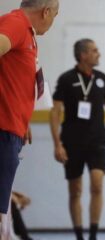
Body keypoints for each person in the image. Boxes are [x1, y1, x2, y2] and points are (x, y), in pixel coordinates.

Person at [49, 39, 105, 240]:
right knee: (75, 190)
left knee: (97, 184)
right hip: (72, 142)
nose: (98, 54)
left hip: (97, 141)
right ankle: (79, 235)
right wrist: (57, 143)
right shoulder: (66, 79)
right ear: (83, 55)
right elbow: (55, 112)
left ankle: (93, 234)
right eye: (94, 51)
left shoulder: (102, 78)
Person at [0, 0, 59, 239]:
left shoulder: (28, 34)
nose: (54, 22)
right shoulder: (15, 23)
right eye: (55, 15)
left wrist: (23, 122)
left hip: (13, 128)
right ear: (46, 12)